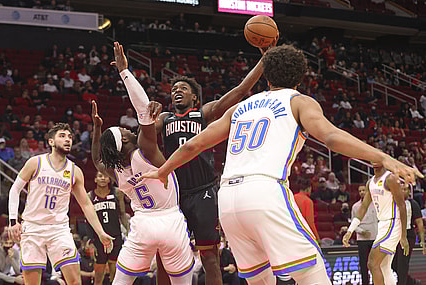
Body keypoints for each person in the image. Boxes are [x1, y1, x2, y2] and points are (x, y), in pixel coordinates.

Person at [140, 44, 422, 285]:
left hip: (227, 200)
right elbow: (332, 137)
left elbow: (194, 145)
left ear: (267, 78)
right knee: (313, 272)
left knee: (260, 279)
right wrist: (383, 157)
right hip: (264, 190)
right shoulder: (299, 101)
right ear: (300, 77)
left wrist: (163, 171)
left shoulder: (241, 108)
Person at [114, 40, 270, 285]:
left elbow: (239, 91)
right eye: (174, 88)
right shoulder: (163, 118)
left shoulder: (204, 113)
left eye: (183, 88)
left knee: (210, 258)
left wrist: (264, 60)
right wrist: (142, 101)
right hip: (172, 197)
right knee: (166, 259)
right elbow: (140, 133)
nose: (177, 90)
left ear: (194, 97)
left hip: (203, 191)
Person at [91, 69, 194, 285]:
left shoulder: (116, 172)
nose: (128, 129)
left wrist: (97, 129)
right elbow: (143, 108)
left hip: (142, 225)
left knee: (121, 280)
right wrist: (124, 72)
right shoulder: (145, 151)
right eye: (123, 130)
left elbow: (96, 160)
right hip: (170, 221)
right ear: (125, 140)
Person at [7, 123, 114, 285]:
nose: (68, 140)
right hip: (33, 228)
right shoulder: (35, 163)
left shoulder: (74, 171)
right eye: (62, 136)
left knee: (74, 282)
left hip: (59, 230)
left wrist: (100, 232)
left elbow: (86, 204)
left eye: (70, 137)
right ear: (51, 141)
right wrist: (13, 221)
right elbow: (14, 190)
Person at [343, 164, 409, 285]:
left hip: (392, 222)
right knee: (384, 266)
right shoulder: (370, 183)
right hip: (382, 224)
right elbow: (363, 208)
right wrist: (350, 230)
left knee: (372, 263)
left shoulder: (390, 179)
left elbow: (402, 206)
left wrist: (404, 235)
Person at [87, 171, 129, 285]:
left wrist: (129, 232)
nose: (103, 178)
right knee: (99, 272)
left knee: (114, 270)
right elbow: (88, 220)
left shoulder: (117, 193)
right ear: (95, 179)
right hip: (98, 238)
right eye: (100, 176)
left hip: (115, 236)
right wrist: (90, 240)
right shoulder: (89, 196)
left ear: (109, 179)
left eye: (105, 176)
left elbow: (122, 214)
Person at [391, 185, 425, 285]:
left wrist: (422, 240)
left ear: (409, 191)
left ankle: (402, 283)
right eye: (400, 189)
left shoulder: (413, 204)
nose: (402, 191)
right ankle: (411, 281)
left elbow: (419, 223)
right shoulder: (392, 203)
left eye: (405, 189)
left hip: (408, 235)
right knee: (392, 264)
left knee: (402, 264)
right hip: (394, 235)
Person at [351, 185, 378, 285]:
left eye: (363, 190)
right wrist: (362, 232)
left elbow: (378, 220)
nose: (362, 192)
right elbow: (353, 224)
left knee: (375, 264)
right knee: (364, 264)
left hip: (374, 238)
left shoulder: (375, 204)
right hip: (362, 239)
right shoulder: (355, 206)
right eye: (360, 191)